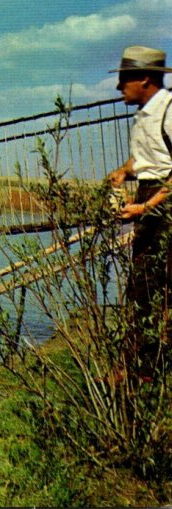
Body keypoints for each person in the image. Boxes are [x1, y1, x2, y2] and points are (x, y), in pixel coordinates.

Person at [108, 45, 172, 379]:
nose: (119, 88)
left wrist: (147, 206)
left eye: (123, 80)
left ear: (144, 78)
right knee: (144, 285)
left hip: (164, 201)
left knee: (149, 285)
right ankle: (141, 366)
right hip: (151, 194)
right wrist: (124, 171)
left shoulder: (170, 110)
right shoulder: (145, 113)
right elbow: (147, 158)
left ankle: (139, 369)